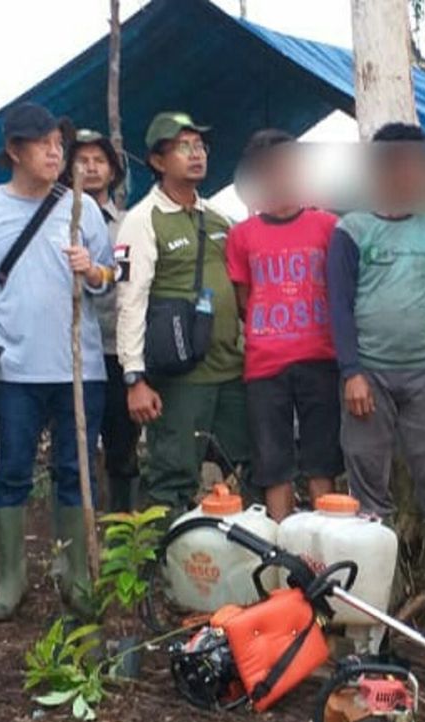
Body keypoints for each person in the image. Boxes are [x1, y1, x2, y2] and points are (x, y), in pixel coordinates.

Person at [0, 103, 114, 621]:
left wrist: (93, 273)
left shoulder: (82, 209)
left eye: (58, 144)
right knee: (13, 470)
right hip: (14, 366)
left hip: (78, 365)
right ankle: (11, 578)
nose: (54, 152)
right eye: (42, 144)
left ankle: (73, 571)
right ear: (14, 151)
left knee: (74, 469)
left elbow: (112, 288)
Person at [327, 122, 425, 632]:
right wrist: (352, 371)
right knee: (369, 490)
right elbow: (338, 307)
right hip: (369, 379)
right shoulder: (351, 229)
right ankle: (374, 598)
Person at [115, 112, 246, 517]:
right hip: (181, 377)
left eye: (200, 146)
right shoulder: (141, 221)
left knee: (251, 466)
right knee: (172, 478)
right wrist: (135, 377)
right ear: (157, 161)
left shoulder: (219, 218)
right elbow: (130, 300)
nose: (197, 155)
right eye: (183, 147)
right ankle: (160, 574)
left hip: (231, 370)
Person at [225, 129, 342, 521]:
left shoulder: (327, 226)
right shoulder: (242, 235)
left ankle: (323, 548)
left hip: (321, 358)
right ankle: (280, 553)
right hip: (265, 364)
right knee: (273, 462)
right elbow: (244, 299)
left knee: (321, 459)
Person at [63, 129, 141, 512]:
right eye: (82, 160)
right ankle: (78, 532)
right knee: (72, 445)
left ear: (113, 171)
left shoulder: (131, 222)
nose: (90, 168)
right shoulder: (57, 220)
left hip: (118, 348)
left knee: (122, 444)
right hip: (71, 353)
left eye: (99, 161)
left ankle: (123, 528)